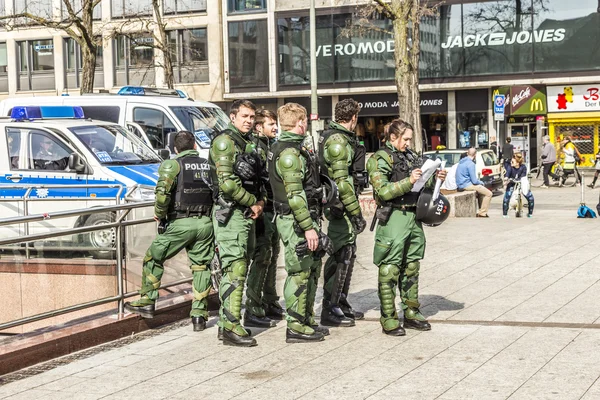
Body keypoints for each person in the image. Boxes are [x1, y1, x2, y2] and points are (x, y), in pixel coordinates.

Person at [124, 131, 214, 332]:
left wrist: (160, 214)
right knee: (201, 267)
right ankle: (199, 316)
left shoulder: (172, 165)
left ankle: (148, 301)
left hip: (180, 223)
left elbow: (163, 194)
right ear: (195, 146)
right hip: (206, 222)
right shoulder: (208, 164)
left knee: (153, 257)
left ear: (175, 148)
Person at [366, 119, 446, 336]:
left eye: (411, 139)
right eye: (406, 139)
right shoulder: (379, 159)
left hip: (414, 216)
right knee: (389, 269)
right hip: (393, 218)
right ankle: (389, 318)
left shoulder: (411, 156)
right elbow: (382, 191)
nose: (409, 143)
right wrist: (409, 181)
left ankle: (411, 312)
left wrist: (435, 179)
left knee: (411, 267)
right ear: (393, 137)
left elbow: (423, 186)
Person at [270, 102, 332, 343]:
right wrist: (308, 228)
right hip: (295, 220)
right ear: (301, 122)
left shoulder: (293, 149)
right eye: (305, 121)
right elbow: (295, 195)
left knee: (309, 269)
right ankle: (295, 325)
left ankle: (305, 320)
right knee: (298, 271)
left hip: (303, 217)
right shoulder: (288, 154)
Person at [209, 99, 266, 347]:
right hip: (230, 213)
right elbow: (227, 183)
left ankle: (226, 323)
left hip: (245, 214)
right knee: (235, 267)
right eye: (244, 116)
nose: (249, 121)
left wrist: (260, 202)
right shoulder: (225, 142)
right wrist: (253, 202)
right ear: (232, 117)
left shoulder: (249, 143)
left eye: (252, 117)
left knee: (242, 262)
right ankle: (231, 325)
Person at [318, 98, 367, 327]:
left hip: (344, 205)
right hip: (340, 207)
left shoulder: (343, 138)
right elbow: (343, 183)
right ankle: (330, 307)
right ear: (353, 117)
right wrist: (356, 213)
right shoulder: (337, 141)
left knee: (348, 252)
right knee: (340, 255)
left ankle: (341, 301)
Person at [244, 109, 284, 327]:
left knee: (271, 256)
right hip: (262, 211)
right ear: (259, 127)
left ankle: (269, 301)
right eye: (271, 124)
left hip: (272, 209)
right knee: (262, 257)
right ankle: (253, 306)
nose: (275, 127)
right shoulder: (256, 148)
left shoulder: (269, 146)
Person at [456, 148, 493, 218]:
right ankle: (482, 212)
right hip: (467, 185)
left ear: (467, 153)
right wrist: (481, 182)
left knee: (481, 192)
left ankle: (481, 210)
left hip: (460, 184)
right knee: (489, 193)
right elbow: (474, 181)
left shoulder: (461, 162)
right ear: (475, 155)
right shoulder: (471, 164)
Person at [503, 153, 534, 218]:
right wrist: (506, 179)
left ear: (517, 163)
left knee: (530, 197)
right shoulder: (510, 167)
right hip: (512, 182)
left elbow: (523, 176)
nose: (511, 163)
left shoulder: (523, 167)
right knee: (507, 196)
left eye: (512, 161)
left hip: (521, 183)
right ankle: (505, 214)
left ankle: (530, 213)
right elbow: (507, 174)